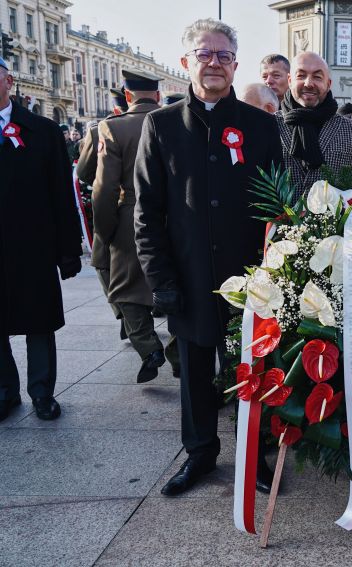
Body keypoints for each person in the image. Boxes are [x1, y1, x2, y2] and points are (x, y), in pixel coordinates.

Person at [134, 18, 283, 496]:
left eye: (223, 56)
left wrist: (276, 273)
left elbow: (276, 208)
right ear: (186, 63)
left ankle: (255, 456)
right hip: (190, 277)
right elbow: (148, 212)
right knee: (196, 373)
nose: (214, 63)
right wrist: (161, 280)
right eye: (204, 54)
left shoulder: (262, 126)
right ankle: (199, 453)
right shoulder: (159, 126)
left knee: (251, 371)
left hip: (251, 279)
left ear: (236, 64)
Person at [0, 56, 83, 422]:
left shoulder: (42, 130)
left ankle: (42, 393)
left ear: (9, 82)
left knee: (39, 321)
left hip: (33, 245)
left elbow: (62, 196)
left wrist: (68, 251)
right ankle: (5, 392)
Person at [92, 68, 179, 383]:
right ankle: (179, 355)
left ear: (127, 96)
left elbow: (104, 188)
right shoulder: (175, 120)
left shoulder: (113, 127)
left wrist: (106, 231)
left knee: (126, 290)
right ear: (157, 95)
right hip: (175, 216)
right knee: (176, 284)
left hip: (130, 215)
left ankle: (147, 347)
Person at [275, 51, 352, 195]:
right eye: (301, 75)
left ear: (328, 84)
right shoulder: (269, 125)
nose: (309, 83)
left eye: (317, 77)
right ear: (290, 80)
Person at [76, 88, 129, 341]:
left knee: (103, 261)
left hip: (117, 207)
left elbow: (85, 173)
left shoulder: (101, 129)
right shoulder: (163, 121)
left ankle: (125, 316)